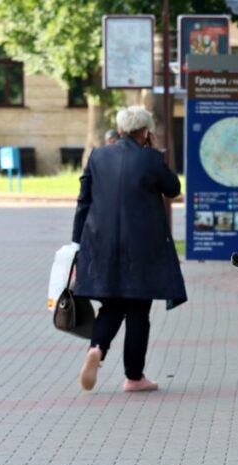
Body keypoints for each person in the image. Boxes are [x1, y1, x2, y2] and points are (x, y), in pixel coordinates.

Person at [72, 105, 186, 393]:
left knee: (111, 305)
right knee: (138, 311)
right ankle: (134, 377)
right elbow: (173, 188)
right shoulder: (150, 158)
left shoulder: (97, 156)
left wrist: (77, 246)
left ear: (121, 129)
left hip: (101, 245)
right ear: (145, 131)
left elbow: (83, 201)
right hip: (142, 248)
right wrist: (156, 152)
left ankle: (97, 348)